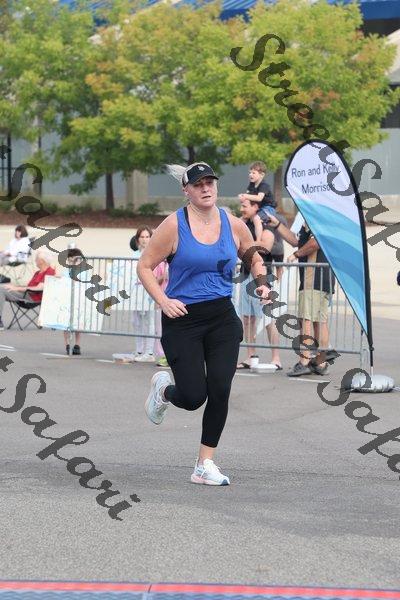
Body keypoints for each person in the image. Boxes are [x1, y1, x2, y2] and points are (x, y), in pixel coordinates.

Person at [137, 162, 271, 486]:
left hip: (222, 317)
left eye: (210, 182)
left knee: (221, 389)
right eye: (198, 184)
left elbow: (253, 256)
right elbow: (144, 266)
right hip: (183, 319)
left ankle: (204, 464)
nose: (206, 188)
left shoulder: (233, 223)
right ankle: (164, 391)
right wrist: (163, 300)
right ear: (187, 190)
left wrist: (262, 283)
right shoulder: (173, 225)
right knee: (194, 396)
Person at [267, 213, 335, 377]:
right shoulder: (313, 217)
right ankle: (321, 362)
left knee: (306, 320)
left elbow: (315, 242)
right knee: (319, 321)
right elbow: (296, 241)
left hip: (313, 278)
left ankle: (304, 361)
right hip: (321, 278)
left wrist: (296, 255)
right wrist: (277, 225)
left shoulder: (316, 217)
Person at [236, 197, 282, 370]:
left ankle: (276, 358)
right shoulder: (243, 225)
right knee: (247, 319)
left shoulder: (267, 227)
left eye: (244, 206)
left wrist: (246, 241)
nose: (242, 209)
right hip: (245, 275)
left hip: (263, 277)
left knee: (269, 319)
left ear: (255, 206)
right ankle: (250, 356)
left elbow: (265, 247)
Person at [0, 250, 56, 330]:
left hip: (31, 298)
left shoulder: (49, 272)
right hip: (26, 294)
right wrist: (13, 286)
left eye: (36, 259)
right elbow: (29, 287)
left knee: (1, 289)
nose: (35, 260)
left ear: (42, 261)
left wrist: (17, 288)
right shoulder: (38, 272)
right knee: (3, 286)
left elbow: (39, 288)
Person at [131, 226, 157, 362]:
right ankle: (139, 349)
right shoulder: (133, 256)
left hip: (150, 291)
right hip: (136, 292)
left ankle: (149, 351)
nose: (145, 240)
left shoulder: (155, 255)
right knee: (136, 321)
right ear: (137, 239)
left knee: (149, 321)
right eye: (142, 237)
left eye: (147, 237)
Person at [238, 161, 276, 243]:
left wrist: (245, 196)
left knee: (256, 219)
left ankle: (258, 240)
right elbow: (248, 196)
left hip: (268, 208)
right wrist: (242, 198)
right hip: (259, 207)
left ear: (262, 175)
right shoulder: (251, 184)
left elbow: (259, 198)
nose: (250, 175)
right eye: (250, 173)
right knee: (243, 219)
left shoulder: (264, 185)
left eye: (253, 173)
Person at [62, 248, 84, 356]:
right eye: (70, 261)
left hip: (78, 300)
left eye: (74, 261)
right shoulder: (66, 271)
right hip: (67, 299)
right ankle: (67, 343)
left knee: (78, 322)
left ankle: (77, 344)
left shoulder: (83, 272)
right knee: (65, 322)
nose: (72, 263)